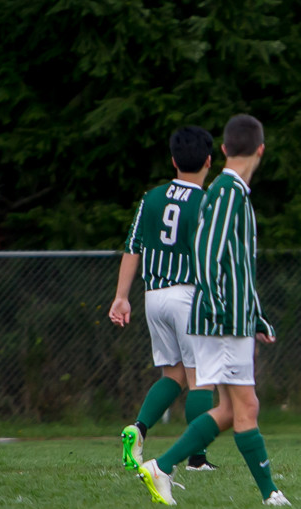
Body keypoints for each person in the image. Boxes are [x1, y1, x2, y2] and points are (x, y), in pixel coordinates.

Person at [135, 113, 290, 507]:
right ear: (261, 150)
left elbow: (239, 267)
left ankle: (162, 466)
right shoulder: (227, 192)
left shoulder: (231, 191)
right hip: (222, 322)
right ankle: (271, 494)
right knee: (246, 407)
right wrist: (221, 309)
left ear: (223, 149)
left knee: (231, 410)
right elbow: (206, 253)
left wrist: (254, 316)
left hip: (233, 319)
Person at [109, 125, 218, 473]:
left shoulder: (152, 198)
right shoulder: (206, 203)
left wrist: (121, 297)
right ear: (209, 161)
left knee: (174, 374)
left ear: (173, 160)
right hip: (188, 296)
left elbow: (133, 246)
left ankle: (138, 430)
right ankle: (197, 459)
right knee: (201, 378)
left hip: (153, 297)